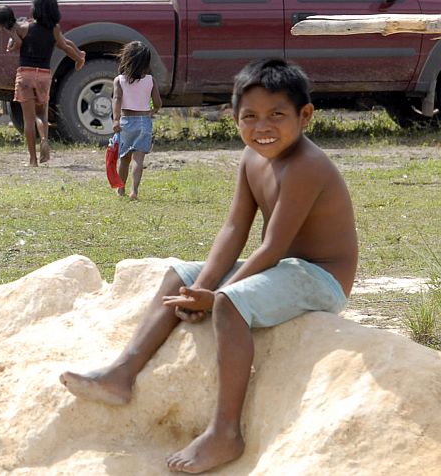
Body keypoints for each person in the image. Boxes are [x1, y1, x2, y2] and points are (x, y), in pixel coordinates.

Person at [59, 58, 358, 474]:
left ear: (305, 115)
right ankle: (122, 372)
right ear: (233, 118)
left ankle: (225, 432)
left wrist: (216, 295)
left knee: (229, 306)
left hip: (319, 277)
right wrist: (201, 284)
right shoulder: (253, 160)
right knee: (178, 274)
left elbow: (273, 246)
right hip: (284, 267)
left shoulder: (306, 165)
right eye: (249, 117)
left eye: (277, 115)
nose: (263, 127)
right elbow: (234, 228)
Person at [0, 0, 85, 166]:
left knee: (29, 119)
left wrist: (11, 45)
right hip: (43, 76)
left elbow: (15, 43)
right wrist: (78, 57)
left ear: (35, 9)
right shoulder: (54, 29)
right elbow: (64, 45)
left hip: (25, 75)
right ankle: (45, 141)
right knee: (42, 114)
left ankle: (33, 160)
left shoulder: (24, 27)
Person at [113, 41, 162, 200]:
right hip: (144, 122)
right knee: (138, 159)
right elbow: (158, 103)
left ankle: (121, 189)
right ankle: (134, 191)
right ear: (146, 62)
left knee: (124, 159)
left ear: (126, 59)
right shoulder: (150, 80)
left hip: (126, 122)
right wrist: (152, 109)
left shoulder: (119, 80)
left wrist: (116, 120)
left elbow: (117, 100)